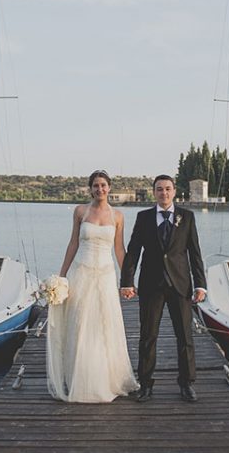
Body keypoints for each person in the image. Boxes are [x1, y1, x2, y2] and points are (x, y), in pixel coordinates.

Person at [47, 170, 139, 402]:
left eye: (104, 185)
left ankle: (106, 378)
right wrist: (62, 276)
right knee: (79, 323)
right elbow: (73, 243)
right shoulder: (80, 211)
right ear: (90, 189)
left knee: (104, 325)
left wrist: (127, 281)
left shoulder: (118, 216)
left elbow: (119, 249)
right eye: (96, 185)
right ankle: (79, 376)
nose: (100, 189)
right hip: (82, 273)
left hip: (106, 276)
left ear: (109, 188)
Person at [120, 175, 207, 403]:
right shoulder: (144, 217)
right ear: (154, 192)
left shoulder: (186, 217)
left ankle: (187, 384)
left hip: (180, 285)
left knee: (185, 337)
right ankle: (146, 385)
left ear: (174, 191)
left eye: (168, 189)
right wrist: (127, 281)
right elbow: (133, 251)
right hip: (151, 286)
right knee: (148, 337)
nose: (164, 193)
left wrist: (200, 284)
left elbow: (194, 252)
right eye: (159, 189)